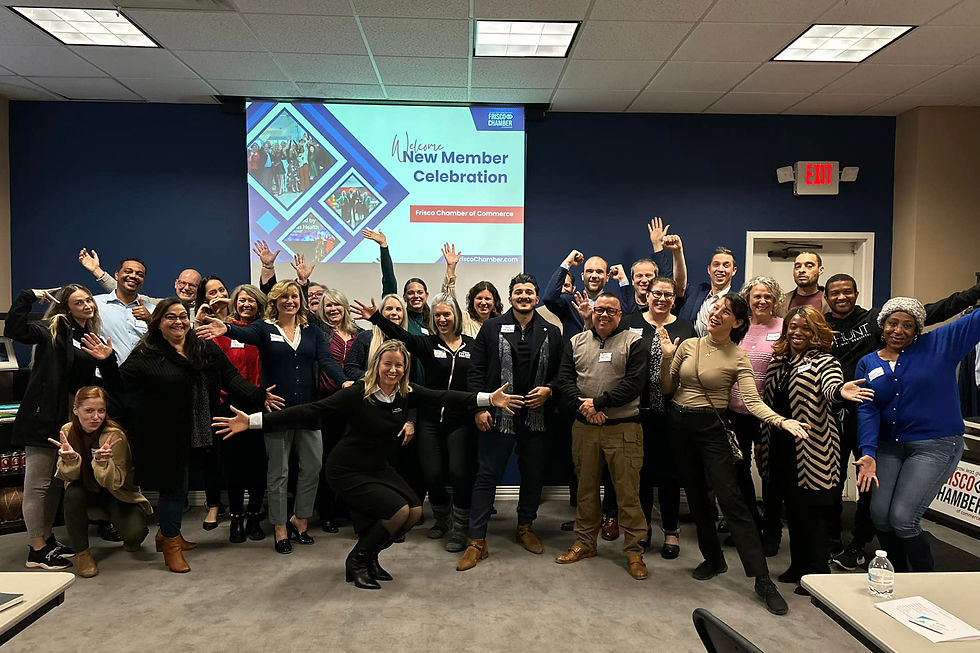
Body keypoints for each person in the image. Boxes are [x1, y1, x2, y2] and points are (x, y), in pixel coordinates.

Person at [215, 340, 522, 590]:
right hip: (346, 468)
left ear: (405, 369)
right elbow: (311, 410)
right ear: (377, 365)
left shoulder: (406, 393)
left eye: (399, 365)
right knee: (397, 512)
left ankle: (372, 556)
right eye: (387, 363)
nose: (393, 369)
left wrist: (487, 399)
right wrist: (255, 421)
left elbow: (446, 396)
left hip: (377, 467)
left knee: (414, 512)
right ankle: (357, 561)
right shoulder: (357, 393)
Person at [660, 292, 809, 615]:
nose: (717, 313)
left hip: (711, 430)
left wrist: (781, 420)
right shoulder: (688, 345)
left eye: (726, 312)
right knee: (698, 498)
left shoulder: (737, 357)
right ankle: (713, 559)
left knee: (732, 502)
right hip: (678, 426)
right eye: (716, 307)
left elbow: (753, 402)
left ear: (737, 322)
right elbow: (667, 389)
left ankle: (762, 579)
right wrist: (667, 357)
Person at [824, 273, 980, 570]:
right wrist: (868, 453)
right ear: (882, 326)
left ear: (918, 328)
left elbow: (975, 320)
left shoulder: (940, 344)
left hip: (934, 446)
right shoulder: (869, 362)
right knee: (880, 515)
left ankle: (924, 579)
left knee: (903, 518)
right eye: (892, 323)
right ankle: (896, 571)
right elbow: (868, 409)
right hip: (888, 447)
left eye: (908, 325)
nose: (899, 330)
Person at [119, 298, 274, 572]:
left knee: (186, 481)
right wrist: (106, 361)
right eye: (170, 317)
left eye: (182, 316)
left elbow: (231, 377)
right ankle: (171, 545)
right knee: (174, 488)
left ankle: (168, 534)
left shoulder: (202, 347)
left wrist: (260, 395)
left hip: (200, 429)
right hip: (165, 433)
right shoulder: (147, 352)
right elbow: (120, 384)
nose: (178, 322)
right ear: (158, 322)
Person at [197, 281, 347, 555]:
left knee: (312, 467)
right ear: (275, 302)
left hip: (309, 411)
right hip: (276, 411)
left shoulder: (311, 330)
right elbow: (246, 334)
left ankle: (300, 519)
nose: (290, 301)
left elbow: (325, 360)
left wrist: (345, 382)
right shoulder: (264, 328)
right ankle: (280, 527)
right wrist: (225, 327)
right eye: (284, 297)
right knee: (279, 472)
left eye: (294, 297)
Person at [759, 306, 872, 595]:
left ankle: (817, 573)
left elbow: (832, 388)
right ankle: (798, 567)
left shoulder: (825, 362)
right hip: (781, 447)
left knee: (814, 515)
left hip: (814, 450)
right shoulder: (779, 361)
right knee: (794, 512)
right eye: (793, 327)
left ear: (816, 331)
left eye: (805, 328)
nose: (797, 333)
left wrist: (841, 392)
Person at [5, 285, 119, 571]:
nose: (87, 304)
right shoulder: (51, 329)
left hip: (67, 423)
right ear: (66, 307)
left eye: (89, 300)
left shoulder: (86, 338)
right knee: (38, 485)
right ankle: (36, 549)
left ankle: (48, 538)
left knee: (56, 482)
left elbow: (94, 382)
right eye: (78, 301)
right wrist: (29, 295)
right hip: (42, 419)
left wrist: (107, 360)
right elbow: (15, 329)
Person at [352, 293, 477, 552]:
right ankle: (443, 519)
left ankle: (461, 527)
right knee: (431, 474)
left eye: (447, 314)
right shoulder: (427, 344)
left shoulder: (473, 346)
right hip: (429, 420)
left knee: (459, 472)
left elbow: (479, 378)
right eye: (438, 315)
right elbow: (403, 336)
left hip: (460, 421)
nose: (443, 319)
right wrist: (376, 317)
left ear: (457, 317)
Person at [457, 273, 563, 571]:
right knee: (486, 476)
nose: (524, 296)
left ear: (537, 297)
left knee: (532, 475)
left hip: (536, 416)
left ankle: (525, 527)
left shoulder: (551, 331)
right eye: (518, 292)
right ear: (511, 296)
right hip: (497, 415)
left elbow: (561, 372)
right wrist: (479, 408)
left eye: (529, 292)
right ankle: (476, 540)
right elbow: (475, 371)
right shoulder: (491, 328)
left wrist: (550, 390)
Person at [555, 293, 649, 579]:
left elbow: (634, 384)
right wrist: (587, 407)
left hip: (624, 428)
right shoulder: (576, 342)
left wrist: (599, 403)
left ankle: (634, 552)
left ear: (620, 315)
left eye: (611, 310)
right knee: (585, 489)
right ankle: (585, 543)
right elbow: (564, 380)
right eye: (599, 310)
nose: (604, 315)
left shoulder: (634, 342)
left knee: (628, 494)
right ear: (592, 313)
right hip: (585, 427)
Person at [623, 276, 697, 558]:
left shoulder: (686, 327)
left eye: (668, 294)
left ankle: (671, 531)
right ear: (647, 294)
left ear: (674, 298)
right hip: (636, 412)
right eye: (657, 293)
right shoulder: (631, 323)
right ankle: (642, 529)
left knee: (669, 475)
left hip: (672, 412)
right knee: (638, 474)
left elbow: (690, 368)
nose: (662, 299)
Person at [50, 386, 151, 578]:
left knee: (134, 536)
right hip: (84, 491)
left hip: (115, 494)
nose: (96, 417)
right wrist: (70, 461)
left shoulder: (115, 435)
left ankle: (123, 528)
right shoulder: (67, 431)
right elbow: (66, 477)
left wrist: (102, 463)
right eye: (89, 410)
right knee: (72, 493)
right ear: (75, 410)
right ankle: (83, 554)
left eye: (101, 411)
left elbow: (116, 483)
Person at [727, 276, 784, 553]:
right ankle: (749, 526)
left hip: (768, 415)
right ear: (747, 300)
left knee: (769, 472)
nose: (762, 301)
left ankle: (772, 531)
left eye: (768, 296)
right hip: (735, 413)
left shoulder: (783, 328)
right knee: (738, 471)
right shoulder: (738, 329)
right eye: (756, 296)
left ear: (775, 300)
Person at [213, 284, 268, 542]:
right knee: (233, 465)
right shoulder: (222, 331)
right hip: (230, 405)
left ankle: (255, 515)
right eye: (242, 300)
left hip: (260, 403)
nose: (246, 305)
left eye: (252, 301)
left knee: (258, 464)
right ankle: (236, 517)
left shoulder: (266, 331)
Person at [312, 287, 363, 533]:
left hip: (354, 406)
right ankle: (327, 512)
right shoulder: (317, 333)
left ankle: (347, 509)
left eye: (337, 305)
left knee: (352, 460)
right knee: (328, 460)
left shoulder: (360, 334)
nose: (333, 309)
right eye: (328, 305)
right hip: (328, 404)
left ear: (345, 307)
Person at [194, 275, 233, 531]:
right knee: (213, 453)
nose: (218, 295)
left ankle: (246, 504)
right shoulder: (201, 327)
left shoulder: (242, 321)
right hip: (210, 398)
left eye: (221, 289)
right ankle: (214, 504)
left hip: (240, 396)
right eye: (211, 292)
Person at [78, 247, 201, 312]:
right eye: (182, 283)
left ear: (200, 288)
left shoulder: (205, 310)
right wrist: (96, 271)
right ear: (176, 283)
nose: (186, 288)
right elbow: (126, 291)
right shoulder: (160, 306)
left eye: (192, 285)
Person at [87, 257, 155, 363]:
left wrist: (151, 320)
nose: (133, 276)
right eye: (128, 271)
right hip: (102, 375)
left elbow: (166, 342)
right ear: (117, 275)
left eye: (140, 274)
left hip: (141, 376)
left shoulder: (153, 311)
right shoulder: (95, 304)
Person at [440, 243, 503, 337]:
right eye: (479, 298)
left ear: (494, 302)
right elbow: (448, 302)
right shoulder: (465, 319)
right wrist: (451, 268)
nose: (483, 302)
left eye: (487, 299)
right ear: (472, 301)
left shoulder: (501, 324)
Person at [676, 246, 737, 336]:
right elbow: (677, 282)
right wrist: (677, 252)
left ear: (734, 271)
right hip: (688, 348)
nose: (720, 269)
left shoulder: (736, 303)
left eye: (726, 265)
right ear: (709, 269)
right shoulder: (696, 292)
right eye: (716, 264)